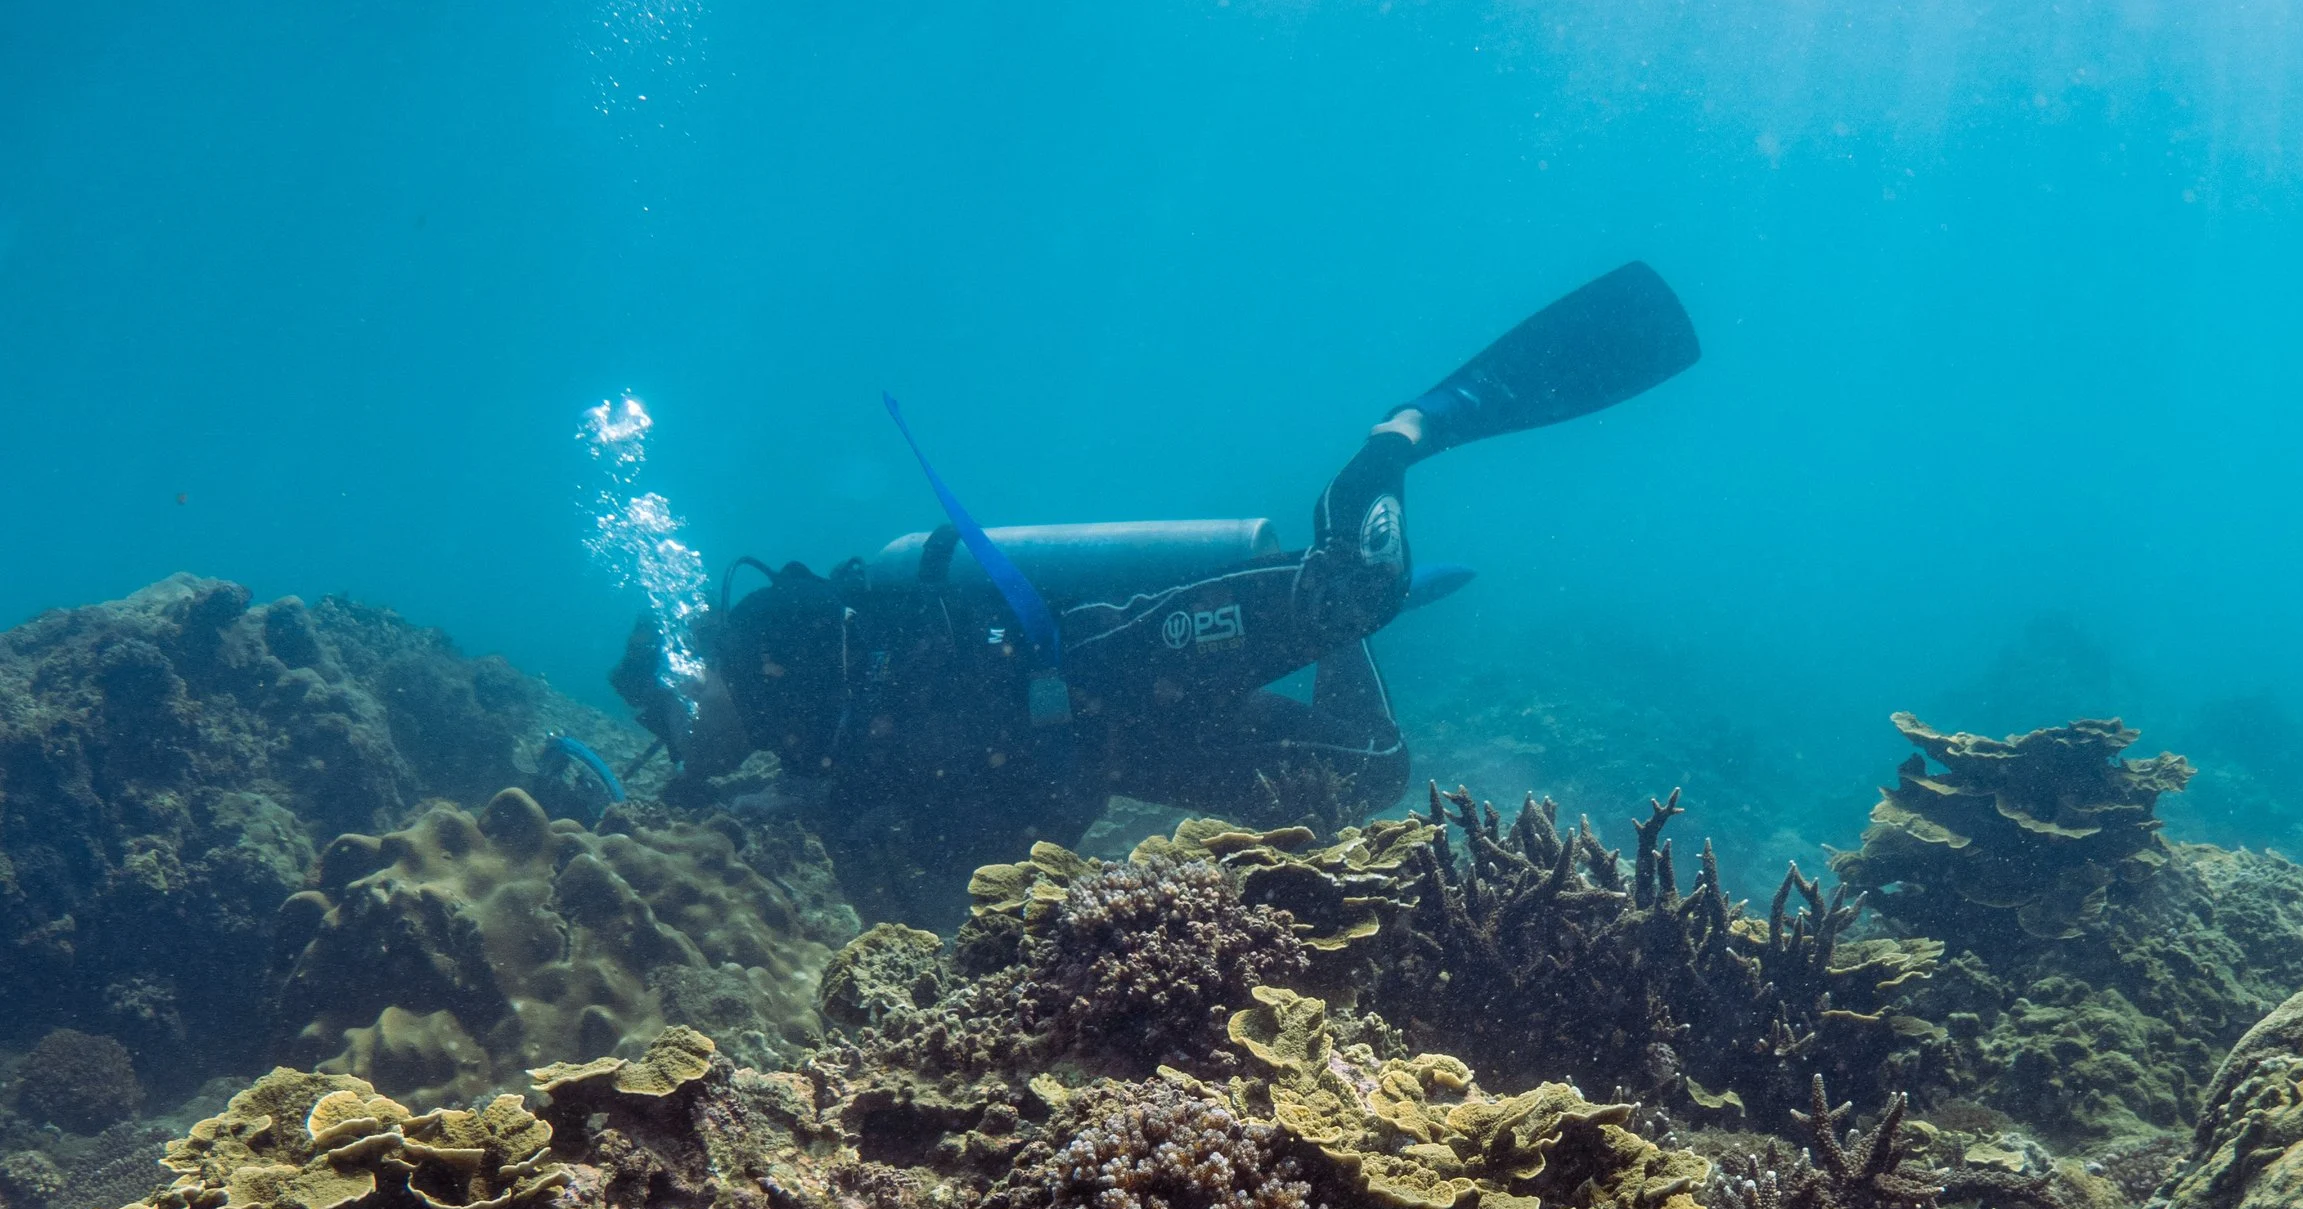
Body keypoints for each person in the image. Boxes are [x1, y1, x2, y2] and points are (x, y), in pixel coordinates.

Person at [612, 261, 1699, 916]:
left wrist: (823, 795)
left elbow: (925, 732)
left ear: (695, 667)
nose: (679, 745)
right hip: (1116, 740)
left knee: (1345, 592)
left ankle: (1394, 447)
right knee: (1359, 783)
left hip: (1094, 651)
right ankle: (1326, 606)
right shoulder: (789, 732)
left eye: (671, 713)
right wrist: (805, 795)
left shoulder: (777, 639)